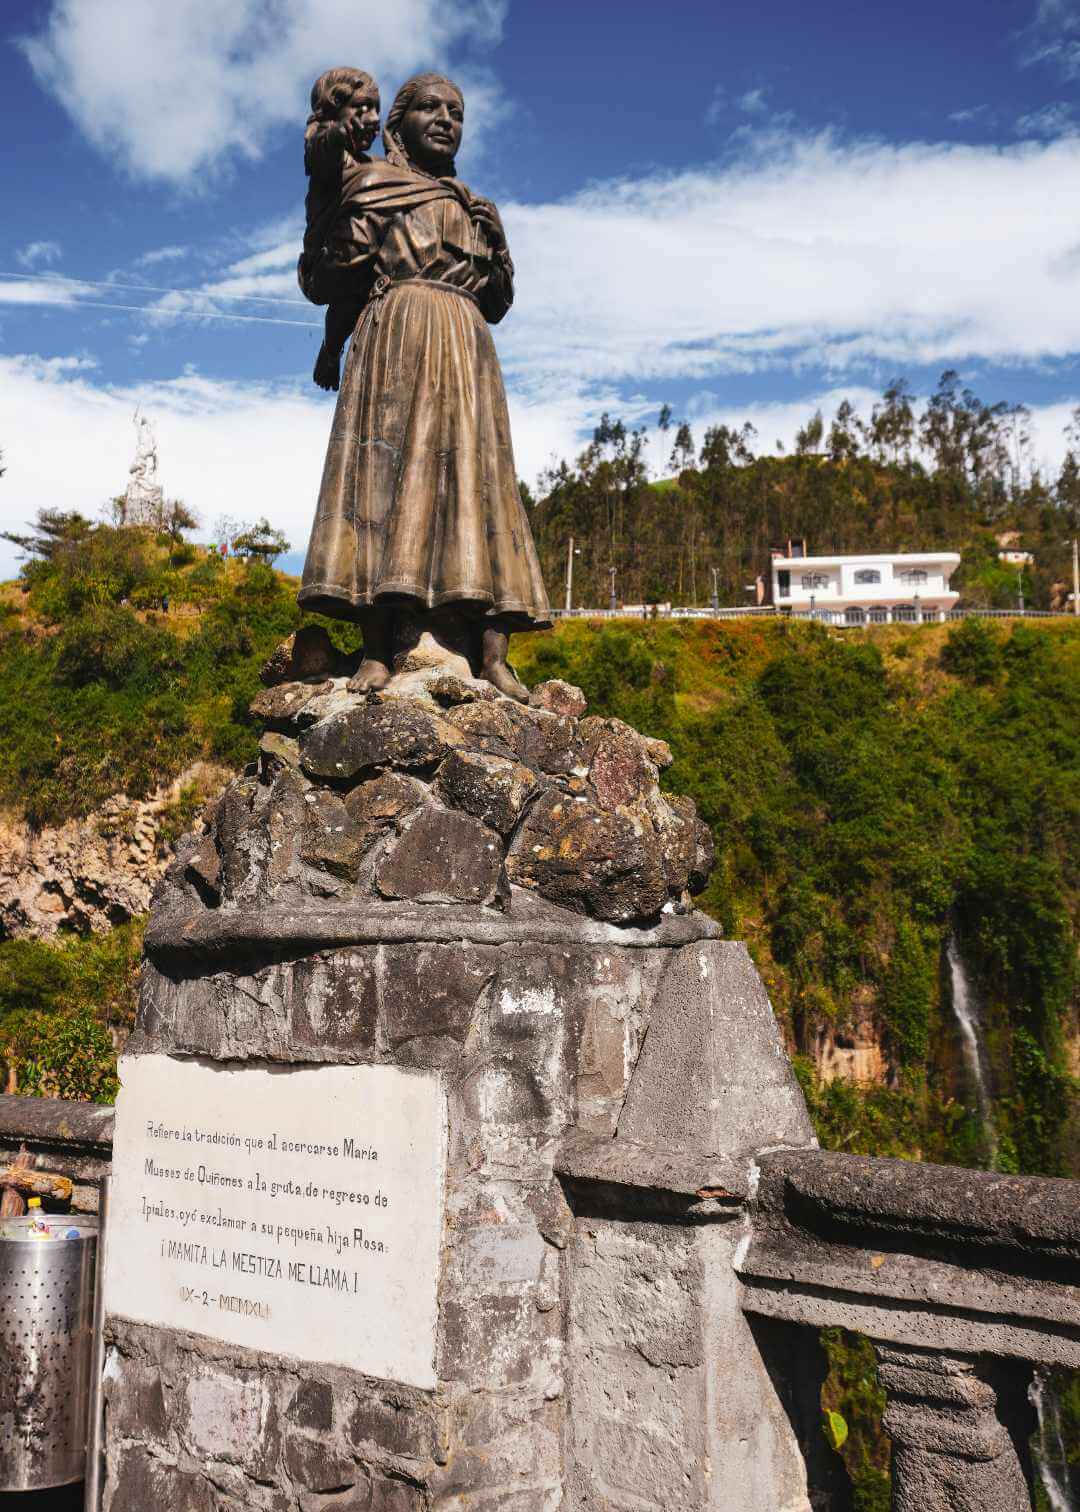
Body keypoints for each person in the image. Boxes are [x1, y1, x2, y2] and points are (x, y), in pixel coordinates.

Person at [296, 73, 551, 699]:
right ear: (399, 124)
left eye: (457, 112)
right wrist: (332, 191)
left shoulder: (473, 206)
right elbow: (328, 279)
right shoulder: (378, 186)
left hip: (467, 348)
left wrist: (500, 247)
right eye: (431, 108)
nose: (446, 119)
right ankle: (379, 651)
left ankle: (492, 655)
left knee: (479, 485)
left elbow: (495, 303)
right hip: (399, 341)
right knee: (385, 487)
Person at [297, 68, 381, 393]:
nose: (373, 118)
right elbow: (320, 152)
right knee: (352, 285)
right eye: (361, 108)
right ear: (334, 110)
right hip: (327, 262)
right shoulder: (328, 155)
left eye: (376, 110)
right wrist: (335, 133)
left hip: (362, 260)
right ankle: (331, 350)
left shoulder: (371, 168)